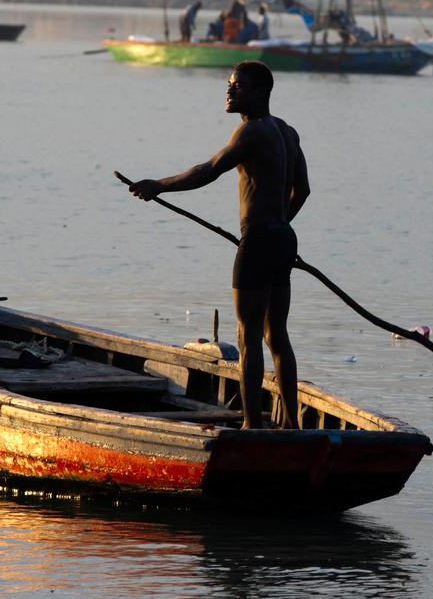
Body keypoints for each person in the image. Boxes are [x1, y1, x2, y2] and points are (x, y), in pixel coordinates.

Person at [129, 61, 310, 430]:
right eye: (229, 84)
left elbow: (208, 170)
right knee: (277, 335)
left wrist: (158, 185)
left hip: (260, 241)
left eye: (239, 86)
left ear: (261, 92)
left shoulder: (251, 132)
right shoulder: (288, 132)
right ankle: (292, 424)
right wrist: (280, 226)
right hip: (282, 238)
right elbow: (302, 190)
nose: (229, 91)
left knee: (248, 337)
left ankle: (252, 427)